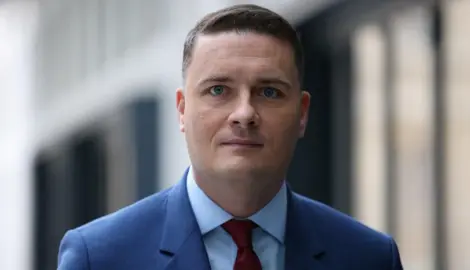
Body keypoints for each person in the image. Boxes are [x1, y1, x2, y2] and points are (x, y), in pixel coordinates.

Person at [58, 4, 403, 270]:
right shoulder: (100, 257)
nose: (244, 114)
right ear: (182, 109)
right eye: (218, 89)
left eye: (269, 92)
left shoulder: (367, 257)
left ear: (302, 113)